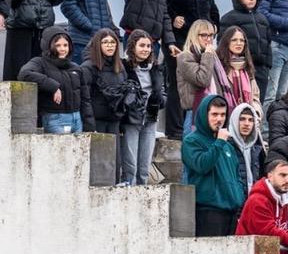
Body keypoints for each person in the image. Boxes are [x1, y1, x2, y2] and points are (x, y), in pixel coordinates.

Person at [162, 0, 220, 138]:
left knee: (200, 84)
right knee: (177, 84)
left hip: (200, 44)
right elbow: (162, 8)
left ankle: (196, 124)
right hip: (179, 41)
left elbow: (214, 12)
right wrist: (173, 18)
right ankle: (175, 129)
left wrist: (214, 27)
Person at [182, 95, 247, 235]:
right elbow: (202, 165)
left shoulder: (228, 146)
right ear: (205, 115)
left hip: (231, 211)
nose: (219, 119)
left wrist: (239, 196)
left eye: (223, 114)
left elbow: (237, 176)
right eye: (214, 114)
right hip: (208, 212)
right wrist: (219, 143)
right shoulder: (191, 141)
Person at [19, 26, 93, 134]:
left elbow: (85, 99)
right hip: (54, 118)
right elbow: (24, 74)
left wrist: (90, 126)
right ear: (48, 46)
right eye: (58, 45)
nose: (63, 49)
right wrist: (53, 86)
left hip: (77, 119)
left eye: (65, 45)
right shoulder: (39, 62)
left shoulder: (76, 68)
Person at [121, 30, 165, 186]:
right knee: (130, 163)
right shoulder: (124, 66)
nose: (146, 49)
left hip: (150, 118)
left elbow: (162, 90)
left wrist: (161, 99)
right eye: (142, 45)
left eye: (148, 46)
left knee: (145, 164)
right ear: (132, 46)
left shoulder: (156, 68)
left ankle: (143, 190)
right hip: (131, 119)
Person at [82, 29, 130, 169]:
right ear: (98, 45)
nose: (110, 45)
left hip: (115, 121)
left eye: (113, 42)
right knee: (99, 165)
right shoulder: (88, 67)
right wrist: (89, 125)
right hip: (97, 122)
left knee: (114, 163)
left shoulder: (120, 67)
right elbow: (84, 98)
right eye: (105, 42)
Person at [220, 0, 272, 96]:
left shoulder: (262, 19)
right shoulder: (229, 18)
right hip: (240, 68)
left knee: (257, 103)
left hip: (261, 69)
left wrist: (267, 65)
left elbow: (268, 43)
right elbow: (222, 44)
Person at [209, 26, 261, 120]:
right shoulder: (218, 66)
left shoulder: (247, 67)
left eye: (242, 40)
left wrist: (256, 113)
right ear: (226, 42)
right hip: (224, 118)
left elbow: (255, 97)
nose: (239, 43)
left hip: (246, 119)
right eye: (234, 40)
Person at [175, 20, 218, 134]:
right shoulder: (185, 57)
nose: (208, 39)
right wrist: (208, 56)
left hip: (213, 112)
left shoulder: (212, 57)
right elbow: (202, 80)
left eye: (211, 35)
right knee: (193, 151)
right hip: (194, 113)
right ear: (194, 35)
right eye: (204, 35)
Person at [228, 102, 265, 199]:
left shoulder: (256, 149)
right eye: (242, 119)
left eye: (250, 120)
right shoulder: (227, 147)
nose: (246, 124)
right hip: (234, 203)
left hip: (251, 202)